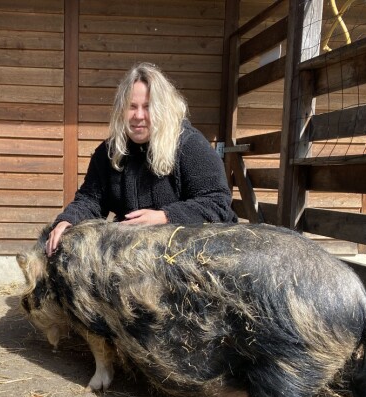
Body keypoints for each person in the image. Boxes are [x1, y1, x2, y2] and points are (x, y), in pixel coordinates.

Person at [46, 62, 238, 256]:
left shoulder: (190, 145)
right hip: (139, 254)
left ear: (163, 109)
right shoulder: (108, 152)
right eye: (132, 107)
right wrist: (68, 220)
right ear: (121, 110)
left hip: (196, 253)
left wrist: (165, 217)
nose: (138, 116)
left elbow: (217, 202)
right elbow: (90, 200)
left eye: (148, 107)